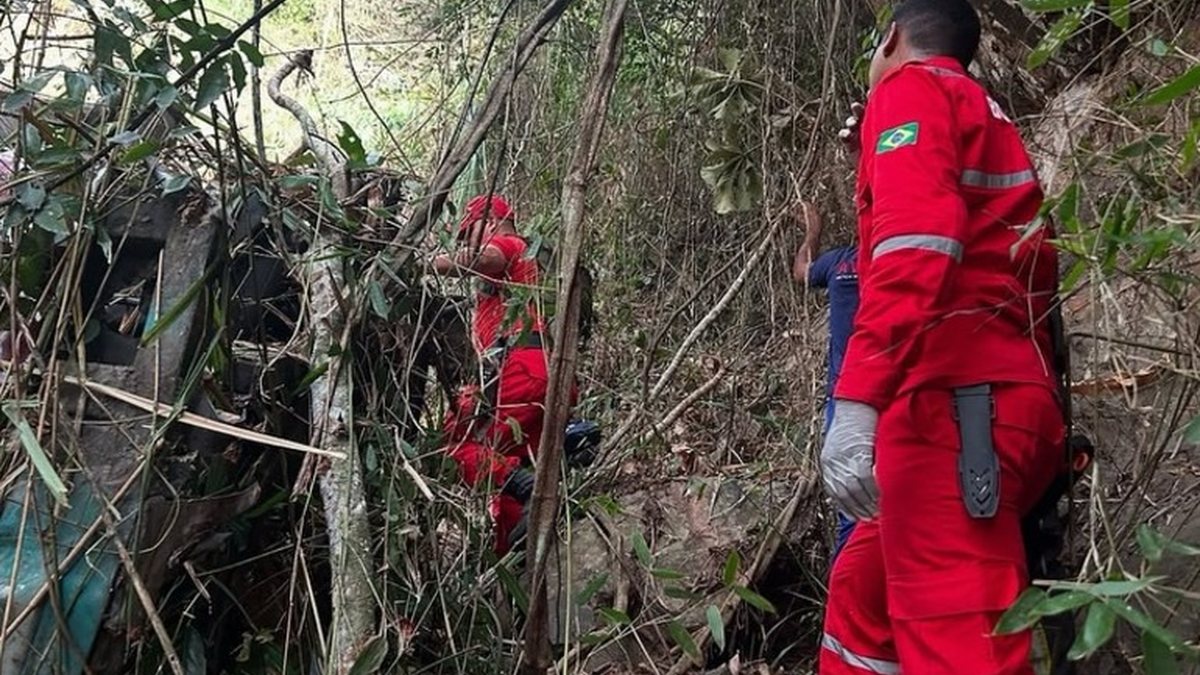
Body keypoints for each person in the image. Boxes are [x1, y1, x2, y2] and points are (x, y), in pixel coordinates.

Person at [817, 1, 1063, 673]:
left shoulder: (910, 89)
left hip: (955, 412)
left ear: (891, 37)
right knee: (861, 600)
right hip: (1000, 401)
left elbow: (916, 248)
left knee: (956, 639)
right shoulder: (979, 110)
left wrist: (857, 401)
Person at [431, 194, 550, 555]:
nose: (467, 241)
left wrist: (425, 263)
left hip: (516, 368)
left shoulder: (510, 244)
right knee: (501, 472)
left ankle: (531, 489)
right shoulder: (526, 267)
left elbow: (487, 257)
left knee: (447, 445)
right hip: (539, 375)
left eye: (469, 231)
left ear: (491, 219)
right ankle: (513, 552)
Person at [791, 201, 858, 558]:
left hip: (848, 397)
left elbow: (801, 271)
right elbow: (802, 272)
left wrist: (812, 232)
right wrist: (813, 231)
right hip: (866, 395)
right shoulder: (847, 260)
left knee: (852, 505)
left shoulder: (841, 262)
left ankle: (846, 597)